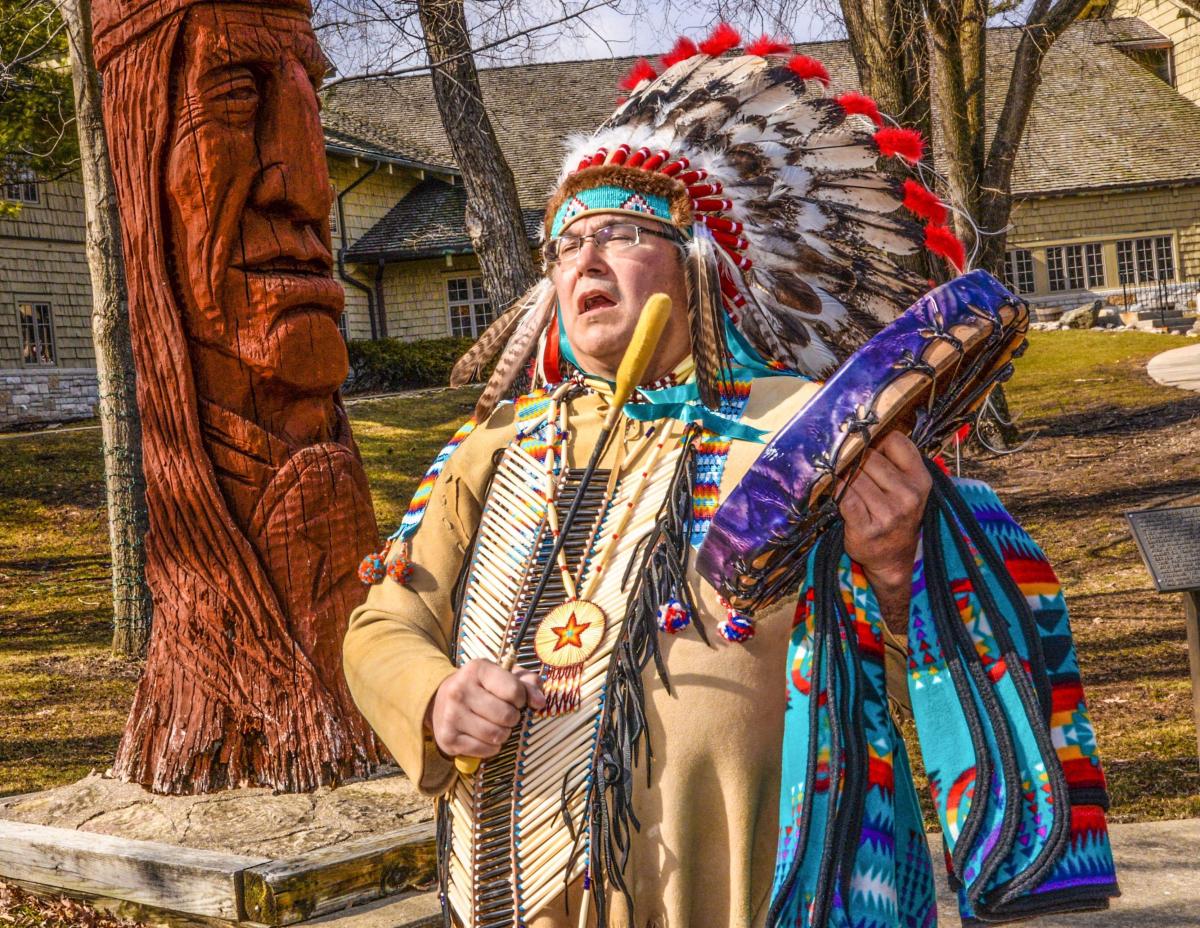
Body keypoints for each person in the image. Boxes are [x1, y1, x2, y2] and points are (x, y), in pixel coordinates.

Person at [345, 26, 1116, 928]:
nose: (585, 260)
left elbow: (930, 652)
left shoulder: (808, 428)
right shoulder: (496, 447)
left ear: (702, 263)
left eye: (626, 233)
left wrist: (902, 567)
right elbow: (384, 619)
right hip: (519, 884)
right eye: (564, 244)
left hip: (754, 884)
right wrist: (433, 697)